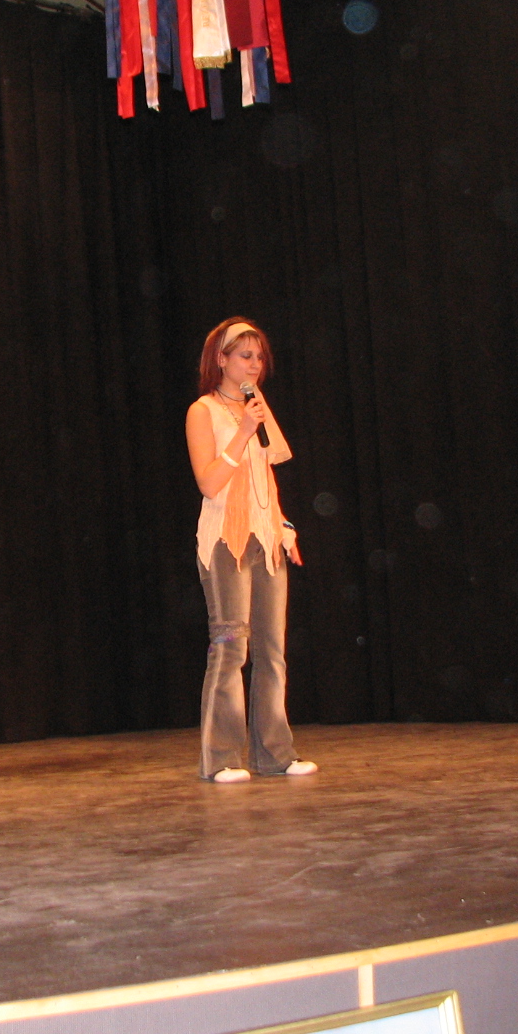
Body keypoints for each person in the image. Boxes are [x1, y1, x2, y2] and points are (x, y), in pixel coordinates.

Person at [185, 318, 317, 781]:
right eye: (245, 356)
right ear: (221, 359)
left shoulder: (257, 408)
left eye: (259, 357)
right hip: (226, 541)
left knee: (272, 651)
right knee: (230, 649)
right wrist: (242, 431)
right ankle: (221, 758)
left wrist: (284, 526)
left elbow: (264, 475)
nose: (255, 365)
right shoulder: (203, 411)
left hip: (266, 540)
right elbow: (209, 482)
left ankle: (275, 754)